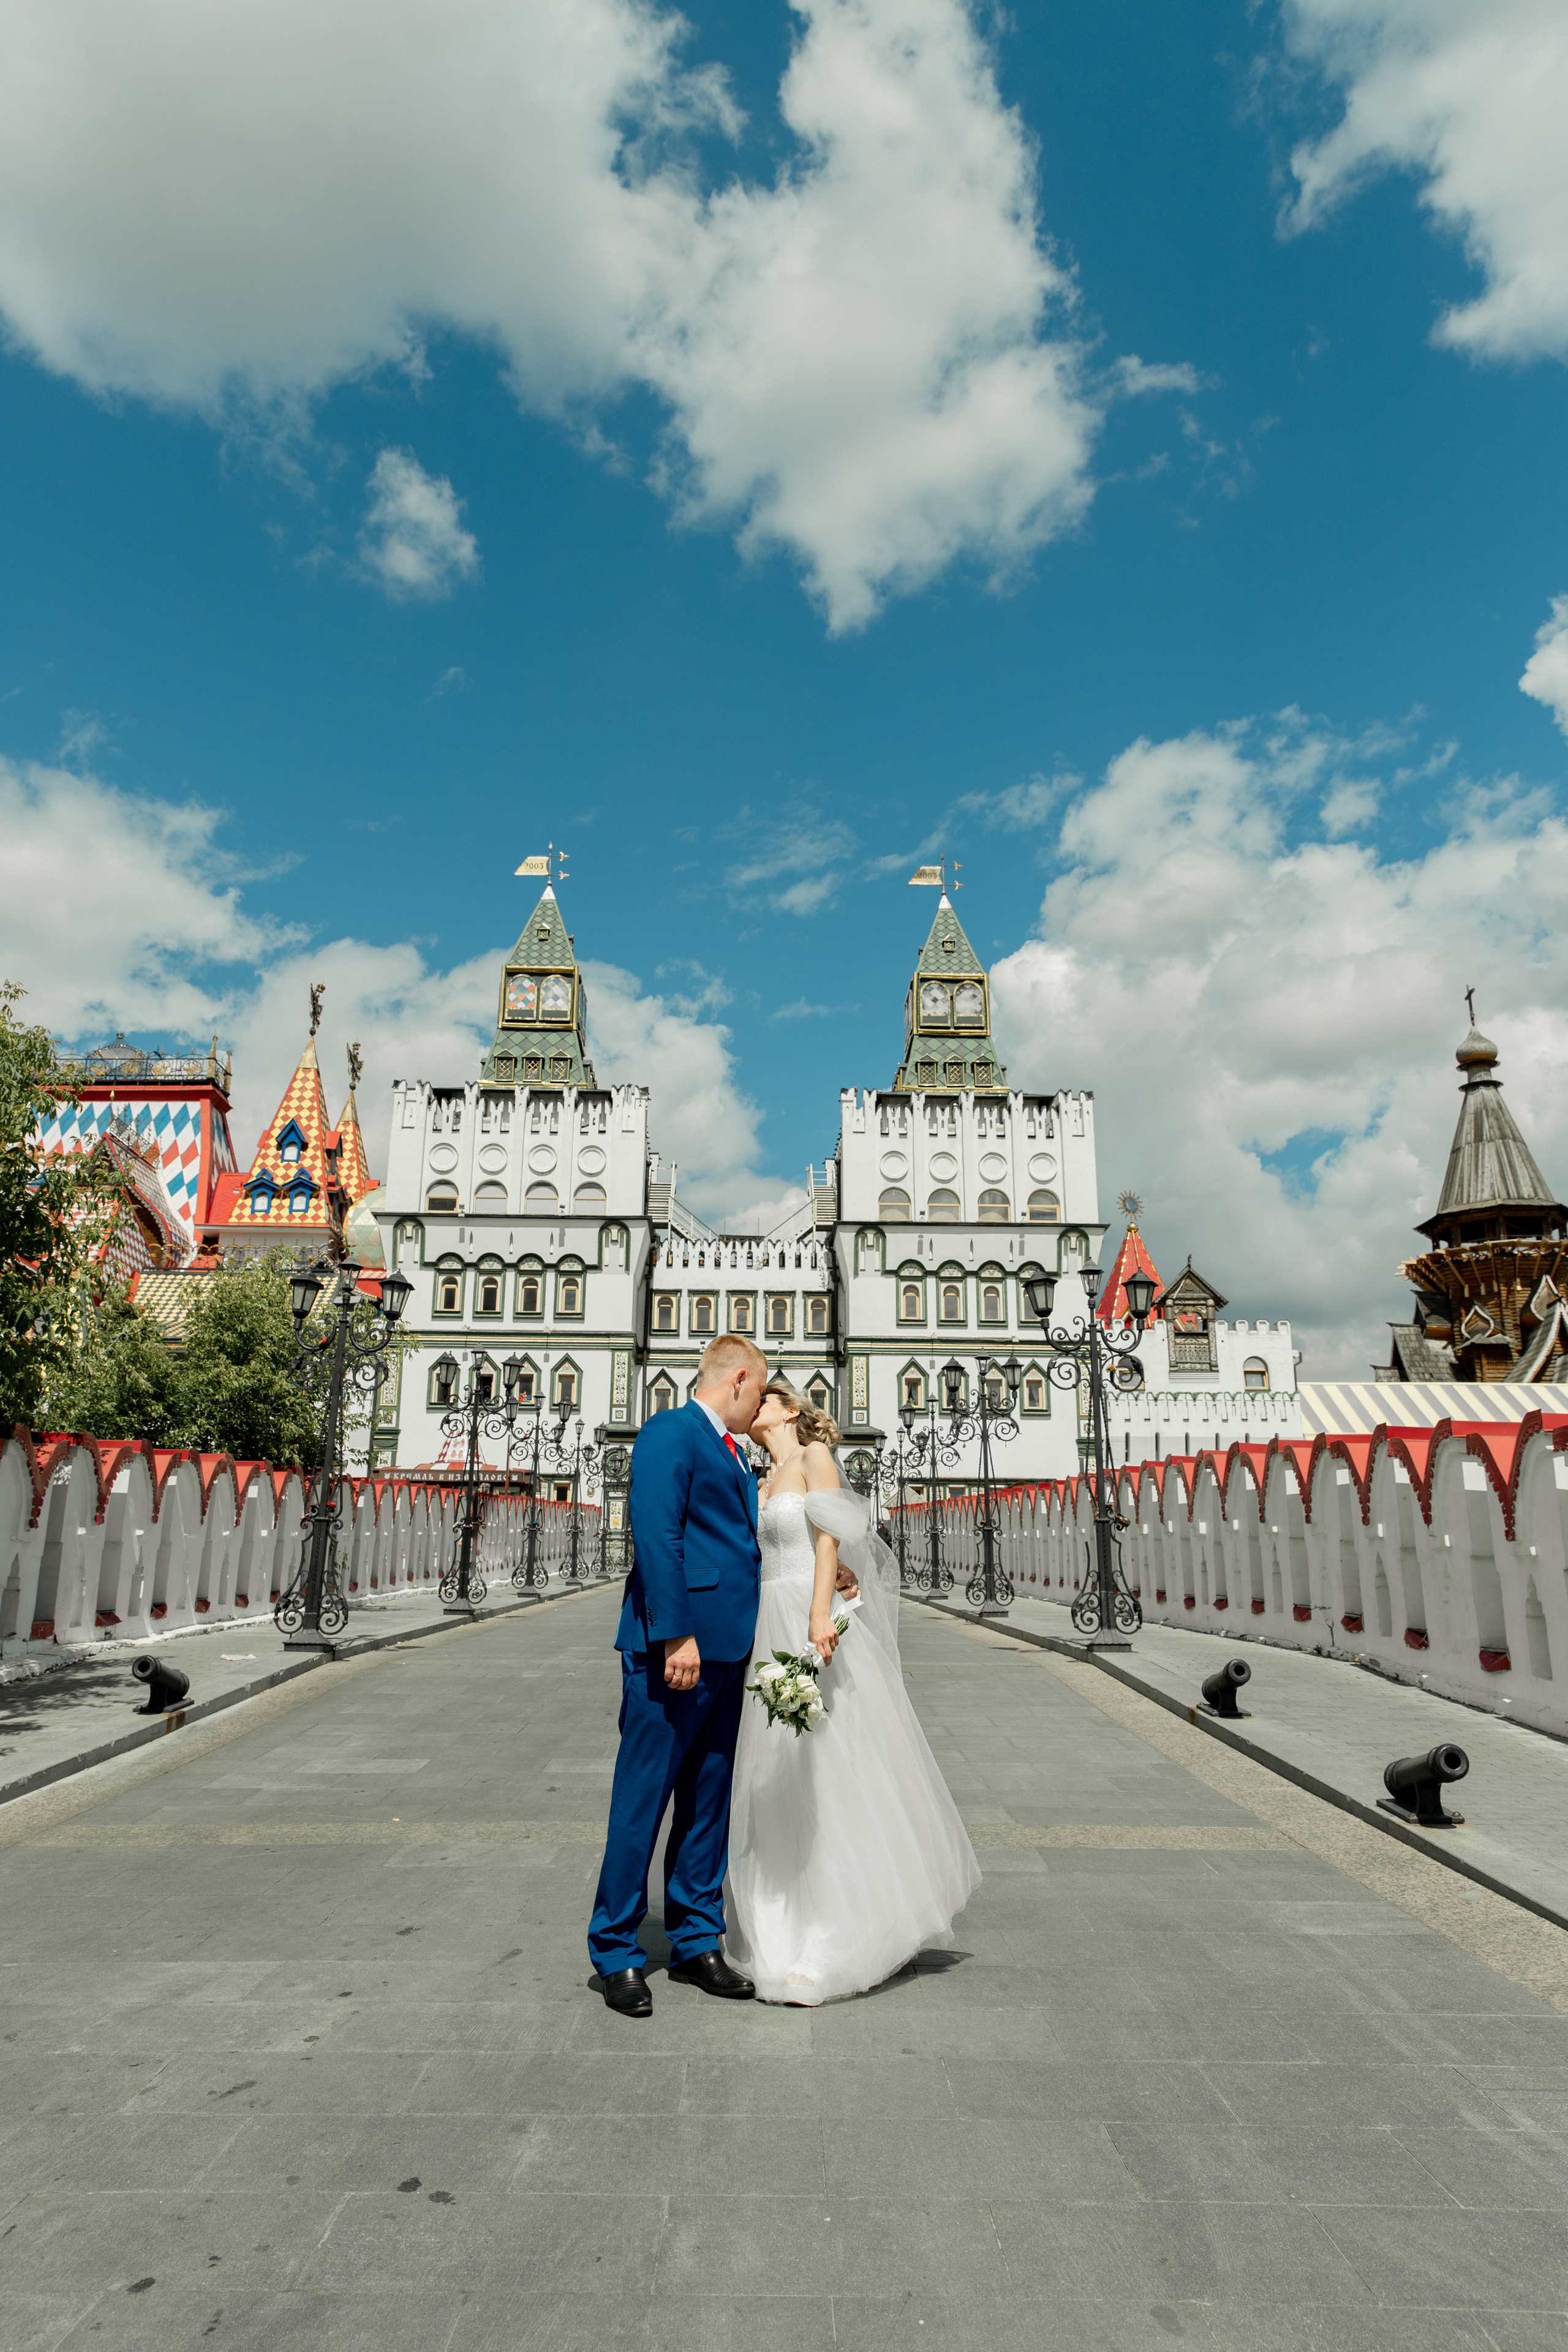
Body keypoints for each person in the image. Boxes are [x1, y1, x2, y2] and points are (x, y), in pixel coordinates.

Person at [723, 1377, 981, 2005]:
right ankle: (778, 1923)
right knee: (777, 1769)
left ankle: (835, 1932)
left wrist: (819, 1616)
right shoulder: (759, 1477)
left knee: (829, 1765)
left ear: (786, 1409)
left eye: (762, 1397)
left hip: (806, 1618)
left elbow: (831, 1540)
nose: (750, 1404)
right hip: (767, 1621)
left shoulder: (813, 1457)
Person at [586, 1333, 770, 2018]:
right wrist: (677, 1632)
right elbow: (656, 1532)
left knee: (707, 1803)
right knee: (643, 1800)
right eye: (760, 1392)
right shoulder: (671, 1431)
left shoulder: (729, 1447)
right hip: (678, 1651)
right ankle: (616, 1951)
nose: (759, 1406)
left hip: (728, 1651)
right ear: (741, 1378)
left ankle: (695, 1940)